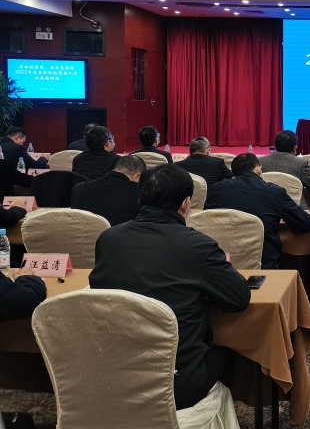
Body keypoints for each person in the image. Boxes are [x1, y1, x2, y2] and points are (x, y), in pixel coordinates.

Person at [89, 164, 251, 411]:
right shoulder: (198, 246)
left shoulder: (108, 238)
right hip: (176, 384)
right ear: (186, 203)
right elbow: (239, 298)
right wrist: (222, 267)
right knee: (232, 348)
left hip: (114, 370)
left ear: (140, 198)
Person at [205, 153, 310, 269]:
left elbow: (207, 219)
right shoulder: (274, 192)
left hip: (222, 262)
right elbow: (307, 224)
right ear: (258, 170)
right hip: (264, 264)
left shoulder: (218, 189)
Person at [71, 155, 145, 227]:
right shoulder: (139, 194)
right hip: (119, 234)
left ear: (114, 169)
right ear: (137, 176)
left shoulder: (79, 188)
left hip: (81, 233)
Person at [259, 130, 310, 209]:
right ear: (295, 148)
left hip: (266, 209)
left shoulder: (260, 161)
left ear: (275, 146)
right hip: (295, 211)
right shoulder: (301, 163)